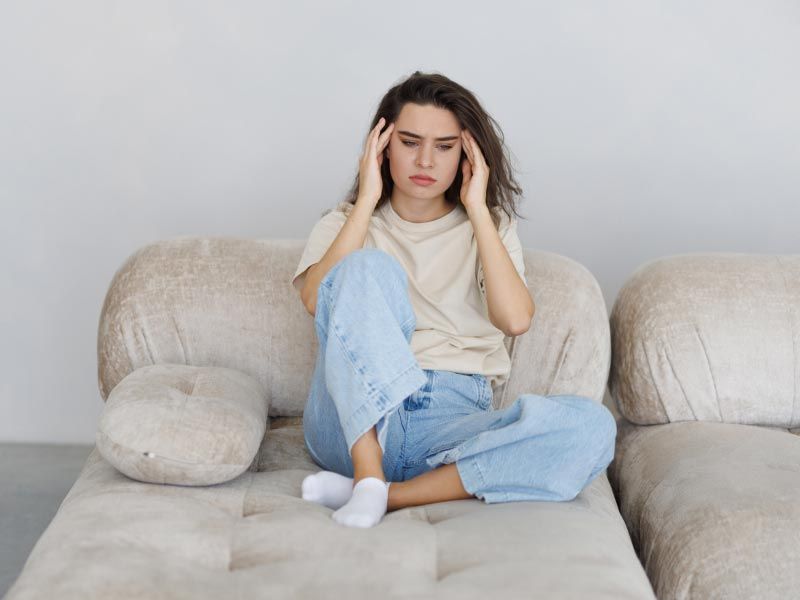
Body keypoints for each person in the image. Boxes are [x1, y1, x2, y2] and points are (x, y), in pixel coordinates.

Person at [291, 70, 616, 529]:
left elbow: (516, 319)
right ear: (381, 147)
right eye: (409, 142)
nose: (425, 160)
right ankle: (367, 471)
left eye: (444, 147)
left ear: (467, 154)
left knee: (593, 428)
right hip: (351, 422)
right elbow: (312, 298)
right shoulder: (343, 223)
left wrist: (480, 209)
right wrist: (366, 200)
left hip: (447, 423)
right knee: (366, 268)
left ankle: (384, 493)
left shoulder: (491, 228)